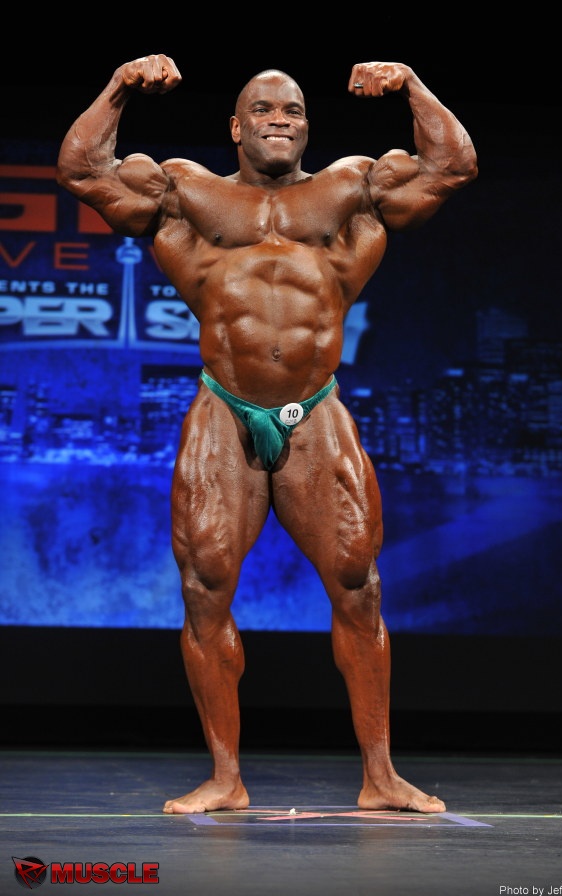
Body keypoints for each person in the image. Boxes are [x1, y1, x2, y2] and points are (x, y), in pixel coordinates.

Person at [56, 54, 478, 814]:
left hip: (316, 410)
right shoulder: (185, 191)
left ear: (307, 127)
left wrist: (412, 85)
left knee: (358, 585)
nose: (279, 120)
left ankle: (380, 776)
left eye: (292, 111)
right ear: (236, 126)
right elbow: (83, 171)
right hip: (224, 409)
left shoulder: (352, 188)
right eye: (263, 109)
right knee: (205, 586)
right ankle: (226, 777)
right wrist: (119, 84)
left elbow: (452, 168)